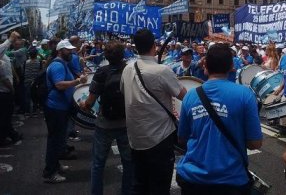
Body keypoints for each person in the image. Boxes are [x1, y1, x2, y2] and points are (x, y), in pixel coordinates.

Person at [176, 44, 263, 195]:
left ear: (205, 67)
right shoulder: (245, 95)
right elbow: (255, 143)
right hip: (232, 180)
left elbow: (182, 139)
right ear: (231, 67)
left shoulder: (190, 95)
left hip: (193, 179)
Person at [121, 28, 187, 195]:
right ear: (154, 46)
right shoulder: (161, 71)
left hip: (135, 139)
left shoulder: (127, 68)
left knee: (140, 184)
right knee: (159, 186)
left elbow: (124, 92)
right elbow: (185, 96)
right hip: (159, 138)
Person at [80, 41, 133, 195]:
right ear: (123, 54)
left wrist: (83, 104)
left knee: (98, 164)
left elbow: (90, 102)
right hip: (126, 123)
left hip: (105, 124)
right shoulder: (130, 71)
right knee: (129, 163)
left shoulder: (101, 72)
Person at [43, 40, 88, 183]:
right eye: (68, 50)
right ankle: (50, 173)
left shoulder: (63, 63)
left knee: (58, 139)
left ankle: (55, 166)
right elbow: (59, 85)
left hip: (61, 108)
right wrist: (78, 82)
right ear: (60, 51)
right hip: (55, 108)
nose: (71, 52)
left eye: (71, 49)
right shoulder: (57, 65)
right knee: (54, 141)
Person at [0, 32, 23, 147]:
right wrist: (10, 39)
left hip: (7, 90)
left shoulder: (4, 56)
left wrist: (16, 77)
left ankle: (12, 135)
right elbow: (3, 78)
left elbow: (10, 67)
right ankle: (4, 138)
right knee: (5, 116)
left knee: (6, 116)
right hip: (4, 91)